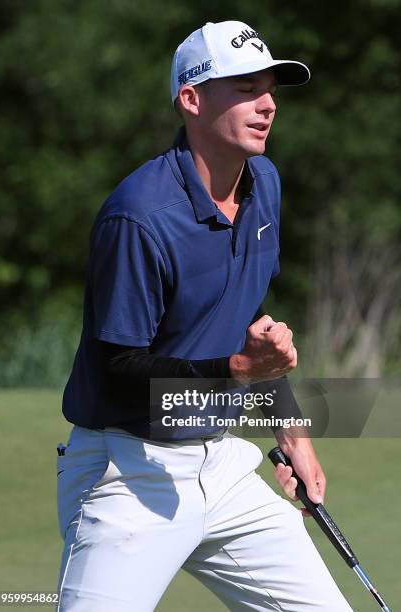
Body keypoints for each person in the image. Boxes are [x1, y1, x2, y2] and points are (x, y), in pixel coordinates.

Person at [56, 20, 353, 612]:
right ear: (191, 100)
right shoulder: (138, 218)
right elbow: (120, 370)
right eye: (245, 87)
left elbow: (251, 321)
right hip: (128, 473)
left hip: (222, 465)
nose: (268, 103)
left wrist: (290, 429)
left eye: (270, 88)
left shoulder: (263, 183)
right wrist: (239, 371)